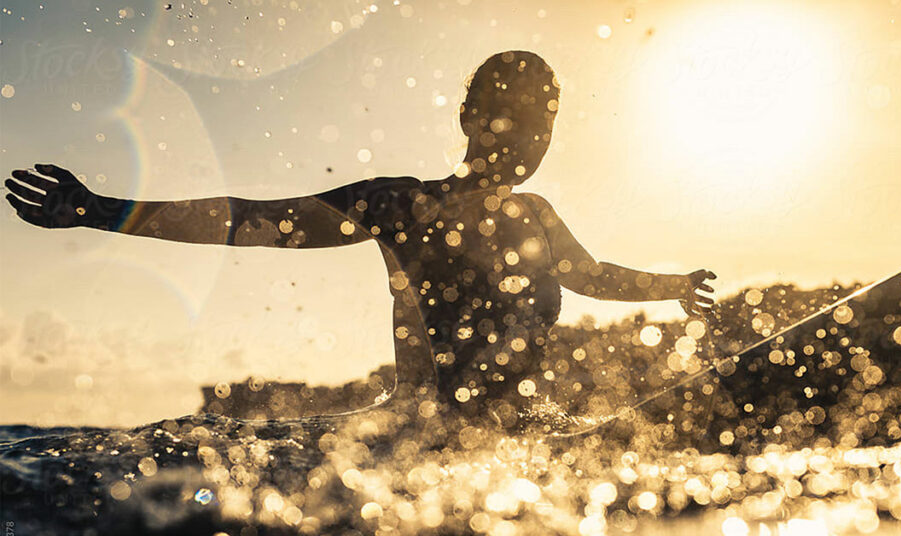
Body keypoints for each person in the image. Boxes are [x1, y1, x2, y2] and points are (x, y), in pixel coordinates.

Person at [5, 50, 715, 419]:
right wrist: (104, 209)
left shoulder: (537, 219)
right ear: (470, 118)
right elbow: (249, 221)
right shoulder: (400, 205)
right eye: (516, 115)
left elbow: (594, 276)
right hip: (425, 435)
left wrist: (675, 287)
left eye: (545, 123)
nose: (532, 137)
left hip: (526, 431)